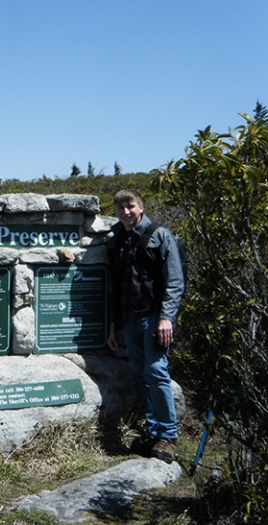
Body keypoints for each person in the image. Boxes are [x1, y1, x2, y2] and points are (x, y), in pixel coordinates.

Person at [106, 189, 184, 463]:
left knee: (156, 372)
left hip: (154, 318)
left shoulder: (160, 236)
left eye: (130, 207)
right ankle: (153, 432)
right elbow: (116, 286)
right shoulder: (117, 240)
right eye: (120, 209)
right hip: (128, 319)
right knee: (141, 374)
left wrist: (166, 318)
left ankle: (168, 436)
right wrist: (114, 325)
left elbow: (175, 282)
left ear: (141, 207)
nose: (125, 213)